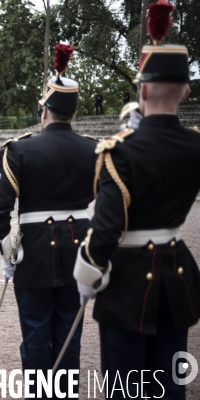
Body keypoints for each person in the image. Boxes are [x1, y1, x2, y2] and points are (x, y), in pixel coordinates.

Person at [74, 8, 200, 398]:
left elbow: (107, 227)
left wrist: (87, 273)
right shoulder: (195, 146)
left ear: (142, 90)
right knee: (170, 386)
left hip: (126, 283)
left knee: (126, 388)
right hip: (176, 273)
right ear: (185, 91)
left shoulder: (120, 151)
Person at [0, 43, 96, 395]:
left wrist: (8, 254)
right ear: (73, 112)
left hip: (33, 255)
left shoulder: (19, 148)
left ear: (45, 111)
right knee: (69, 335)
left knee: (36, 333)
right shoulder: (95, 149)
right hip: (80, 252)